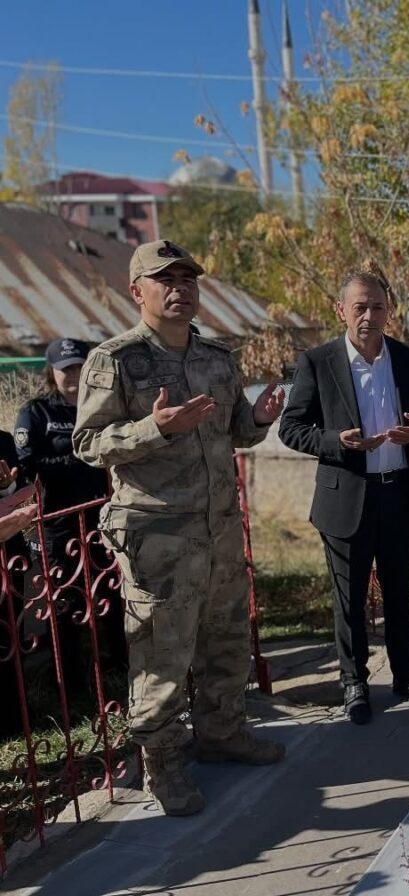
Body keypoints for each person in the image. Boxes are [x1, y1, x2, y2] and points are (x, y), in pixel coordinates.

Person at [72, 239, 287, 817]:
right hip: (156, 534)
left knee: (224, 637)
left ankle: (222, 732)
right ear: (136, 290)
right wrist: (154, 429)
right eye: (165, 279)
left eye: (188, 278)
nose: (180, 288)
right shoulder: (114, 361)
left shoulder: (218, 358)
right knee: (161, 652)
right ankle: (162, 764)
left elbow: (235, 432)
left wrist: (259, 419)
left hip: (217, 527)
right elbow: (89, 444)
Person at [278, 270, 409, 725]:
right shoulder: (318, 361)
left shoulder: (408, 358)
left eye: (378, 307)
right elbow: (291, 428)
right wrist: (336, 442)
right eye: (360, 307)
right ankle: (354, 683)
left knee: (400, 596)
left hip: (398, 495)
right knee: (348, 600)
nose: (369, 316)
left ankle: (407, 678)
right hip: (346, 498)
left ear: (389, 311)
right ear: (341, 310)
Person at [16, 339, 125, 692]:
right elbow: (24, 464)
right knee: (64, 603)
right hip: (58, 524)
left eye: (79, 367)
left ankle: (118, 665)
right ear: (52, 372)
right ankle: (72, 683)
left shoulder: (100, 408)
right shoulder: (36, 413)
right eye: (66, 370)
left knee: (111, 594)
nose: (74, 376)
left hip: (101, 519)